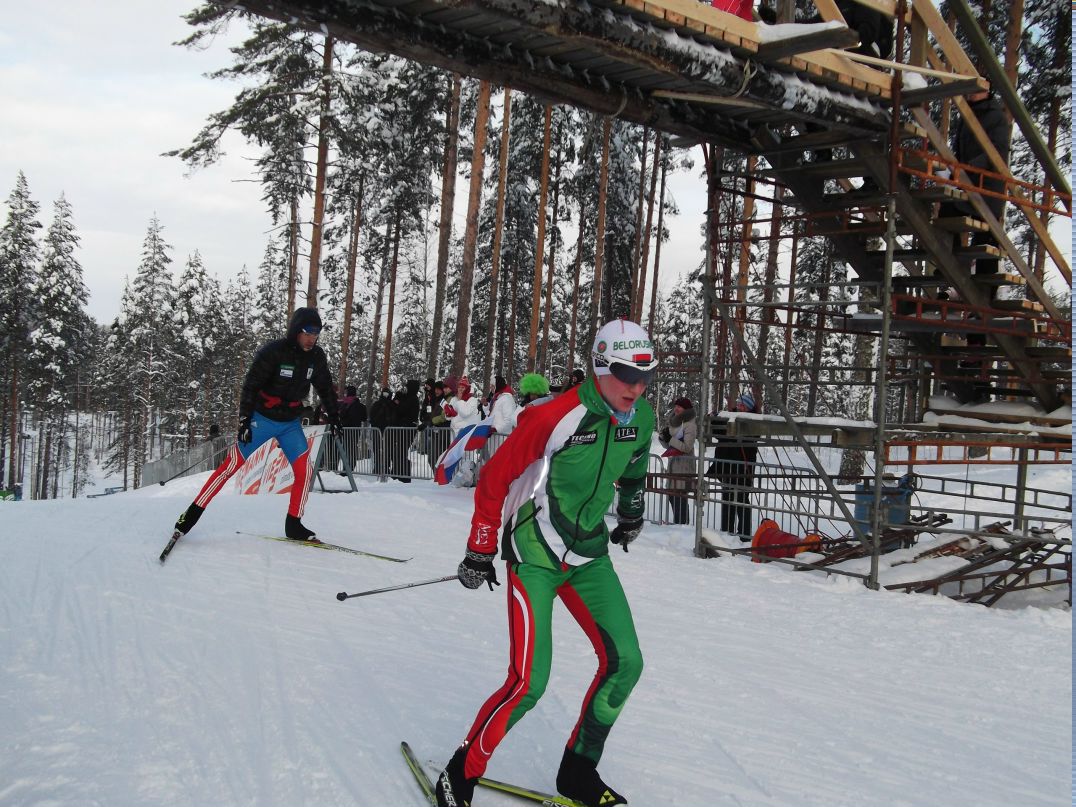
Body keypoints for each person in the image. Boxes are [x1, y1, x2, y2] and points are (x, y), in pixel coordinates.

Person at [434, 318, 657, 807]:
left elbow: (637, 466)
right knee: (528, 682)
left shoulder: (641, 418)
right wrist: (479, 548)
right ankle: (460, 773)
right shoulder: (555, 415)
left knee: (626, 664)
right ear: (599, 367)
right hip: (535, 553)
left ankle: (578, 772)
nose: (636, 387)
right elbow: (495, 478)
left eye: (645, 376)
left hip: (589, 556)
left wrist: (632, 515)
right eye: (625, 374)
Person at [172, 307, 340, 542]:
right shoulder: (273, 352)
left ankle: (294, 523)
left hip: (290, 423)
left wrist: (335, 416)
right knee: (229, 467)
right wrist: (244, 421)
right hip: (262, 419)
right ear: (296, 331)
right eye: (307, 333)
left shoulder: (316, 357)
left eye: (316, 334)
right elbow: (250, 386)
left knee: (305, 471)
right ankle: (189, 517)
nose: (312, 338)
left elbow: (325, 387)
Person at [706, 393, 759, 541]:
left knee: (742, 501)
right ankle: (726, 533)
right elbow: (720, 433)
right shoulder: (731, 417)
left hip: (742, 469)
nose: (739, 407)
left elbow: (738, 437)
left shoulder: (753, 421)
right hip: (727, 468)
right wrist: (715, 419)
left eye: (743, 405)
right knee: (727, 499)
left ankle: (744, 535)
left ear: (748, 408)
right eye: (739, 404)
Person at [658, 397, 697, 525]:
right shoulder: (675, 423)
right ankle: (679, 524)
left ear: (686, 409)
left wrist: (670, 439)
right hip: (674, 465)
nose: (676, 409)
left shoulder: (690, 425)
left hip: (684, 466)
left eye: (679, 407)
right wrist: (663, 438)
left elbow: (687, 447)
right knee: (673, 496)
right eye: (676, 406)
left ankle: (682, 525)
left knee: (680, 497)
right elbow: (670, 446)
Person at [337, 385, 368, 472]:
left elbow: (341, 415)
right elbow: (364, 418)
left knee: (347, 449)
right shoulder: (361, 405)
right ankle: (350, 467)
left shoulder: (344, 404)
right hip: (356, 430)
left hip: (346, 429)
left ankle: (346, 468)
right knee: (352, 448)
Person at [369, 386, 394, 476]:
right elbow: (372, 417)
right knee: (379, 449)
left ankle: (384, 467)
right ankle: (379, 467)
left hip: (386, 431)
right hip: (379, 430)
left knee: (386, 449)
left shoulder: (391, 404)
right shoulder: (378, 404)